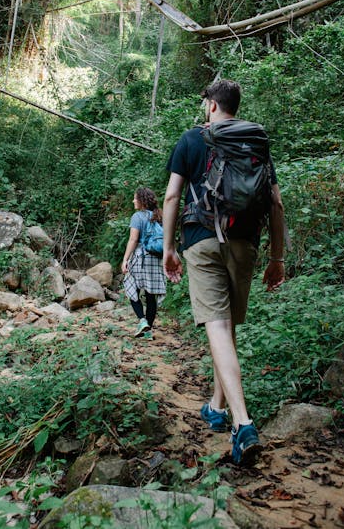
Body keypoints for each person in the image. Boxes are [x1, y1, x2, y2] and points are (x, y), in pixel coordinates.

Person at [162, 79, 285, 466]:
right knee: (227, 327)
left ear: (212, 105)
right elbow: (276, 204)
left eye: (205, 104)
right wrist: (277, 257)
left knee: (217, 327)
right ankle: (216, 407)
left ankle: (243, 423)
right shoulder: (256, 142)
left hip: (201, 239)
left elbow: (171, 196)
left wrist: (168, 248)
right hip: (245, 242)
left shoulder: (192, 139)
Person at [121, 187, 167, 340]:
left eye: (135, 198)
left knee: (130, 286)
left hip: (141, 257)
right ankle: (148, 331)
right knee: (150, 294)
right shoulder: (159, 215)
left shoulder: (137, 216)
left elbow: (133, 239)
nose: (133, 201)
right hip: (156, 258)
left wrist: (125, 259)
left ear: (141, 200)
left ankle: (142, 320)